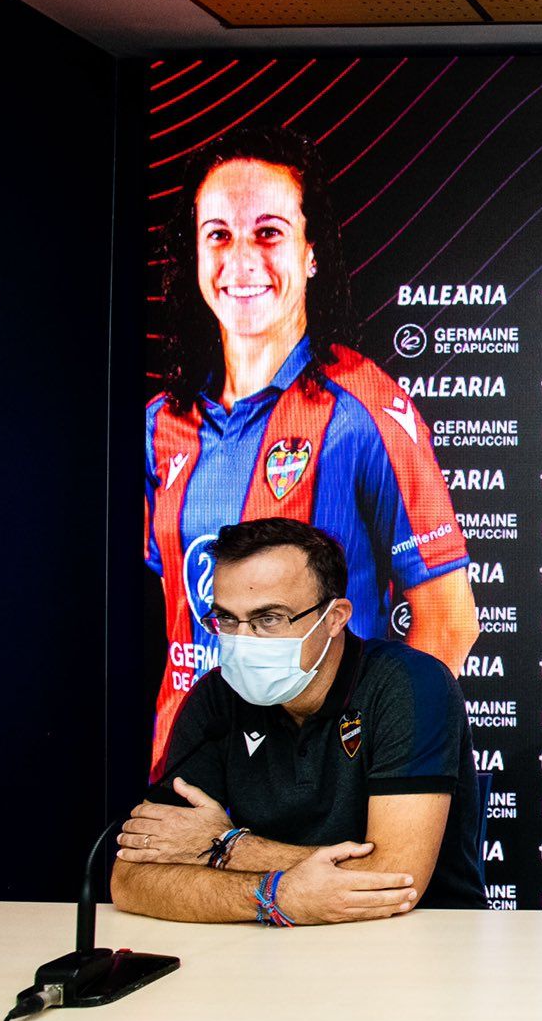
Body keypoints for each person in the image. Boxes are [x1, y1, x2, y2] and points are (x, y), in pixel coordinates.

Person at [145, 124, 476, 767]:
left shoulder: (365, 409)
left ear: (310, 252)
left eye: (268, 233)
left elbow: (450, 620)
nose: (241, 261)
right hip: (189, 773)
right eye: (219, 235)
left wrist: (364, 763)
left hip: (317, 790)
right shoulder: (162, 423)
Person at [114, 518, 485, 923]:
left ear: (335, 617)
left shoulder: (409, 684)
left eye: (268, 619)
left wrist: (225, 846)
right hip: (264, 950)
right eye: (226, 620)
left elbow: (392, 881)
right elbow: (130, 879)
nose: (242, 640)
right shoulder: (216, 698)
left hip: (416, 946)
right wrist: (274, 896)